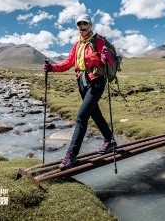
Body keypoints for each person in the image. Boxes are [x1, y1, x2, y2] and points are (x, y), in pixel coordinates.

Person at [43, 14, 117, 170]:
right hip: (82, 83)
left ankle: (71, 154)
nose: (82, 26)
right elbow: (68, 63)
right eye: (79, 24)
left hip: (96, 82)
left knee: (82, 117)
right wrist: (51, 68)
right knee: (95, 113)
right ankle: (109, 140)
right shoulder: (77, 45)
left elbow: (108, 60)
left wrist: (107, 57)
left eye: (85, 23)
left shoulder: (98, 41)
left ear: (90, 25)